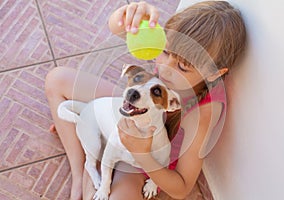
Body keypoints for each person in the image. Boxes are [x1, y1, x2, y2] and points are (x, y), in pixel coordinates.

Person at [45, 1, 246, 199]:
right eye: (165, 51)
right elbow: (119, 29)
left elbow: (182, 188)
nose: (166, 67)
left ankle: (96, 156)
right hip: (135, 110)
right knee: (56, 80)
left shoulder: (203, 113)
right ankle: (81, 174)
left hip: (147, 159)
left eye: (183, 67)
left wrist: (141, 153)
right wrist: (127, 17)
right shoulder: (173, 59)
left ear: (213, 73)